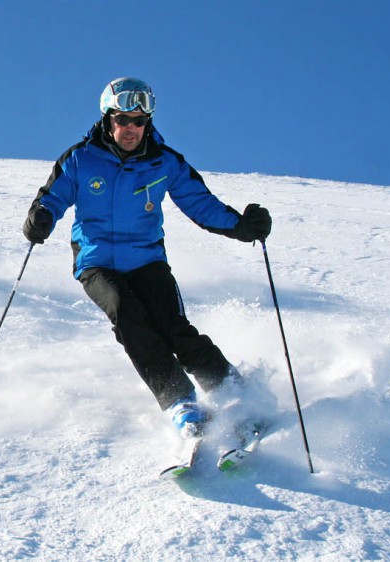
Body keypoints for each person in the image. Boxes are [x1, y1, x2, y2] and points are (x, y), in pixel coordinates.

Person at [22, 77, 272, 437]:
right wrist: (40, 218)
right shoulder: (80, 159)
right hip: (97, 263)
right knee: (129, 319)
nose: (130, 129)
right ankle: (180, 403)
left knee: (174, 329)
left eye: (138, 121)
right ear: (109, 119)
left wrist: (242, 226)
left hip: (147, 260)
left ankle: (234, 393)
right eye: (123, 119)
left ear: (147, 123)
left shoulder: (164, 162)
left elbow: (200, 203)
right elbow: (51, 197)